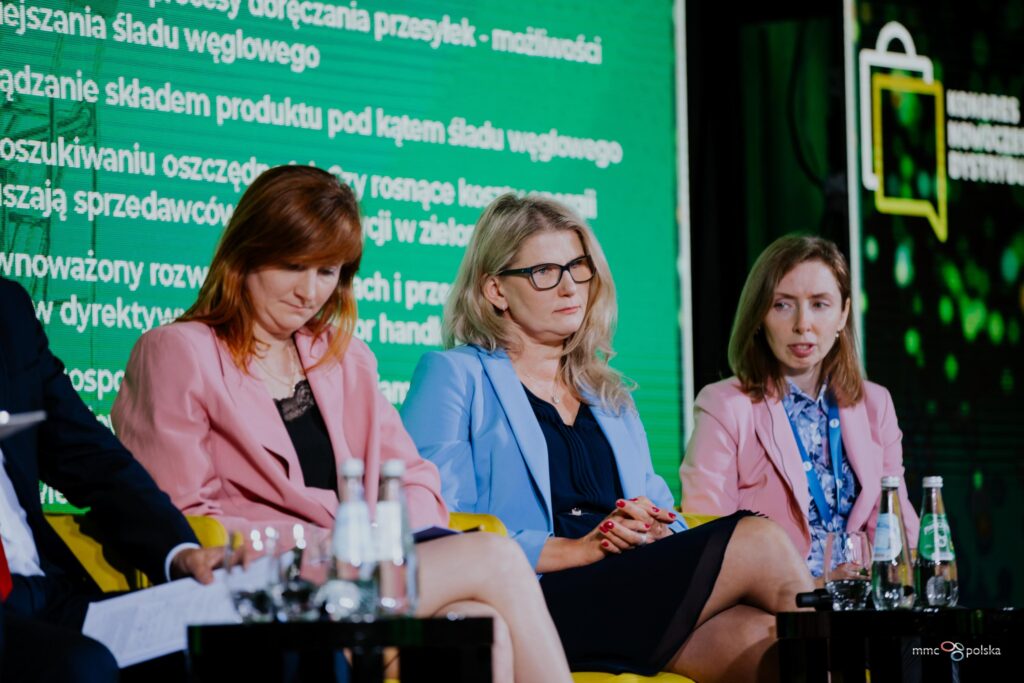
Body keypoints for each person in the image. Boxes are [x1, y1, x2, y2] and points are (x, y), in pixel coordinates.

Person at [112, 165, 572, 683]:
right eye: (294, 266)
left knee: (481, 625)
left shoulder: (345, 356)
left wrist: (374, 539)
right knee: (497, 557)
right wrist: (327, 542)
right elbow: (180, 515)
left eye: (327, 271)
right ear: (247, 253)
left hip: (361, 576)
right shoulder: (177, 351)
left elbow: (416, 481)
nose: (310, 292)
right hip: (259, 585)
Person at [401, 194, 815, 682]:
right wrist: (577, 549)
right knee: (759, 540)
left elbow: (663, 508)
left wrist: (658, 529)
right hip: (539, 595)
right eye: (544, 272)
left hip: (631, 588)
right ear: (496, 290)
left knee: (767, 642)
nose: (569, 287)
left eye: (578, 268)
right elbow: (441, 523)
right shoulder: (454, 374)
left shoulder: (609, 393)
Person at [0, 277, 223, 683]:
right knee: (84, 665)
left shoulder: (7, 308)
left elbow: (86, 453)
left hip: (48, 594)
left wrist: (178, 552)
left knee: (246, 637)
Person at [680, 234, 919, 580]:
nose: (802, 324)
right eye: (782, 305)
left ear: (843, 314)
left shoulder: (875, 403)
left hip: (863, 597)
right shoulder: (725, 406)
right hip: (773, 601)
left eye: (820, 304)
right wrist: (816, 586)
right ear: (759, 315)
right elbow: (707, 541)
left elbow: (895, 522)